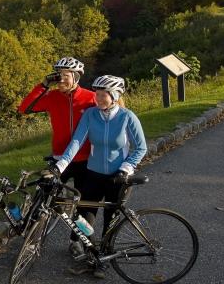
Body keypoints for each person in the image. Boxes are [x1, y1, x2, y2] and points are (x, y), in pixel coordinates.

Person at [50, 75, 148, 279]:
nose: (99, 98)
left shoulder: (127, 117)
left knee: (110, 220)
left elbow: (141, 148)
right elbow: (76, 142)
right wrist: (60, 165)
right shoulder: (90, 115)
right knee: (84, 218)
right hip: (93, 174)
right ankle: (93, 254)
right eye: (97, 94)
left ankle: (103, 261)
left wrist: (126, 168)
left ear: (115, 96)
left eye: (104, 95)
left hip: (118, 178)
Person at [17, 56, 96, 256]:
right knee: (42, 196)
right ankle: (31, 238)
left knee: (84, 203)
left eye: (65, 75)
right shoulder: (52, 96)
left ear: (76, 77)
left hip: (87, 159)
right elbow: (24, 108)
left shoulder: (91, 98)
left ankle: (77, 241)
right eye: (58, 75)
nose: (60, 79)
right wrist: (43, 85)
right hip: (60, 159)